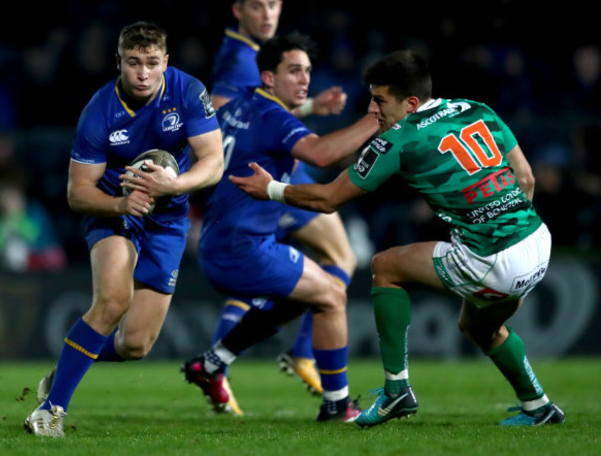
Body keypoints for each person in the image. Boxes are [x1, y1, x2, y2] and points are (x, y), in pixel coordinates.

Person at [230, 50, 566, 427]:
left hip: (493, 260)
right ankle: (539, 406)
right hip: (536, 241)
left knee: (385, 266)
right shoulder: (476, 109)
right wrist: (511, 243)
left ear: (409, 103)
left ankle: (396, 391)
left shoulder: (400, 139)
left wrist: (271, 189)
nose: (373, 109)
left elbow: (327, 199)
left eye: (380, 100)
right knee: (478, 328)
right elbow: (526, 179)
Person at [24, 21, 224, 437]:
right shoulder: (99, 112)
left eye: (153, 63)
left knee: (136, 345)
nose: (144, 74)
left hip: (168, 220)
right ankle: (50, 410)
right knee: (112, 301)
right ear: (119, 62)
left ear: (166, 62)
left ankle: (66, 370)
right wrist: (120, 202)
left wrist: (175, 185)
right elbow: (78, 193)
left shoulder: (188, 92)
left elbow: (214, 162)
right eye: (134, 63)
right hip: (114, 213)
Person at [182, 32, 377, 422]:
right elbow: (320, 154)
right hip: (245, 247)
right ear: (269, 78)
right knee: (332, 295)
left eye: (306, 71)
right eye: (294, 71)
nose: (304, 79)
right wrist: (375, 118)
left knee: (306, 292)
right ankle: (337, 404)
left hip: (220, 243)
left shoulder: (239, 107)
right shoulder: (274, 118)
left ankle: (214, 361)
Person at [204, 0, 358, 414]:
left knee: (283, 275)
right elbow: (224, 117)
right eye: (258, 6)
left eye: (274, 4)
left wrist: (308, 106)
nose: (268, 14)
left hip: (269, 170)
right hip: (261, 174)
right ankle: (302, 354)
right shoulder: (239, 56)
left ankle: (218, 361)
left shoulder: (252, 53)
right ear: (239, 11)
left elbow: (253, 107)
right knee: (335, 263)